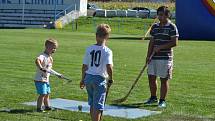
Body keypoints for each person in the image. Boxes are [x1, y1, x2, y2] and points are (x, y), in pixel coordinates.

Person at [144, 6, 179, 108]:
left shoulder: (172, 27)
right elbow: (151, 42)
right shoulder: (154, 27)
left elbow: (174, 43)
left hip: (165, 58)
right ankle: (153, 97)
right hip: (153, 57)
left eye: (162, 15)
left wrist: (160, 47)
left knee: (164, 79)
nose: (160, 17)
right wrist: (148, 55)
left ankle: (162, 100)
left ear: (167, 15)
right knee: (151, 78)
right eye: (158, 14)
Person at [80, 24, 113, 121]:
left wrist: (83, 79)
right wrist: (111, 77)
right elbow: (109, 66)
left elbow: (84, 66)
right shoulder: (107, 51)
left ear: (96, 35)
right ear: (107, 36)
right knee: (98, 106)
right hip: (99, 79)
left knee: (92, 103)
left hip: (88, 78)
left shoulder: (89, 48)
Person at [34, 38, 63, 112]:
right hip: (40, 79)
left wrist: (58, 74)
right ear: (47, 47)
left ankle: (47, 106)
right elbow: (37, 60)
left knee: (47, 94)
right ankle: (39, 108)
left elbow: (49, 70)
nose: (54, 50)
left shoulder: (50, 58)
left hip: (46, 80)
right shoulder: (42, 56)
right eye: (53, 48)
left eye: (55, 48)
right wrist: (41, 68)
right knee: (42, 94)